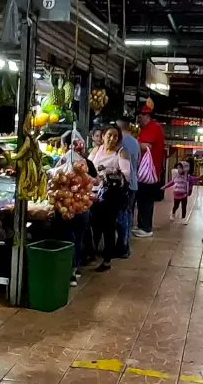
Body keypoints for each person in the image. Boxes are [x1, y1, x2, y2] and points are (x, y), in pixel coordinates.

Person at [88, 125, 132, 272]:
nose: (112, 139)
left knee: (108, 226)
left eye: (115, 136)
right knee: (94, 225)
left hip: (112, 195)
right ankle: (91, 254)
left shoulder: (121, 153)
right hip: (94, 194)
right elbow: (87, 167)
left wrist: (108, 173)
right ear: (103, 136)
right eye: (109, 135)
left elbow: (127, 175)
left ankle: (107, 260)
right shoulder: (96, 150)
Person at [56, 130, 96, 285]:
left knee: (69, 238)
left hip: (68, 206)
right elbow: (97, 180)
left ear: (66, 145)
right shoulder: (86, 162)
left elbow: (54, 180)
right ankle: (75, 269)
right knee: (78, 239)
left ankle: (71, 272)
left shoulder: (63, 161)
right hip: (83, 206)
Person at [134, 107, 165, 238]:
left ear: (147, 116)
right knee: (142, 198)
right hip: (146, 170)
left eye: (140, 118)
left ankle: (146, 228)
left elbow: (147, 146)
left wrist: (130, 141)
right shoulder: (149, 127)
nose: (138, 121)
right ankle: (142, 225)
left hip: (148, 172)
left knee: (146, 199)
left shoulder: (153, 127)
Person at [116, 117, 139, 257]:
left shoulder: (119, 140)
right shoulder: (136, 142)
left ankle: (122, 246)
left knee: (121, 216)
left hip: (123, 184)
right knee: (128, 214)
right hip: (133, 183)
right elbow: (138, 162)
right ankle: (126, 244)